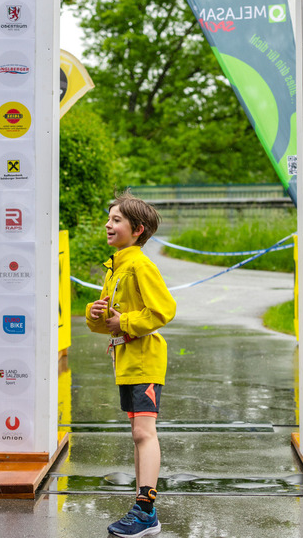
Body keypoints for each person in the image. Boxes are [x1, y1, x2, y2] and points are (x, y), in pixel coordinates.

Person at [86, 191, 176, 537]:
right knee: (138, 435)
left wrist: (123, 322)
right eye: (108, 219)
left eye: (116, 220)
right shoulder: (116, 267)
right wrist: (94, 313)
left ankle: (145, 511)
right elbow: (107, 322)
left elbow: (163, 310)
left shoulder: (140, 265)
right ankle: (143, 512)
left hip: (145, 360)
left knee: (143, 433)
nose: (108, 225)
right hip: (126, 361)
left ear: (138, 230)